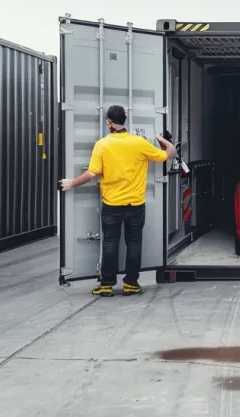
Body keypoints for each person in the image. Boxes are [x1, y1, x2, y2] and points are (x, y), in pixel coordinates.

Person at [59, 104, 177, 297]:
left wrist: (71, 183)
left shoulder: (102, 144)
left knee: (110, 243)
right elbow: (169, 154)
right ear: (124, 120)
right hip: (136, 204)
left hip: (112, 204)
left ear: (109, 122)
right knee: (134, 243)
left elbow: (92, 173)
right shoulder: (139, 142)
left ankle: (106, 285)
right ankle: (131, 284)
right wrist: (161, 139)